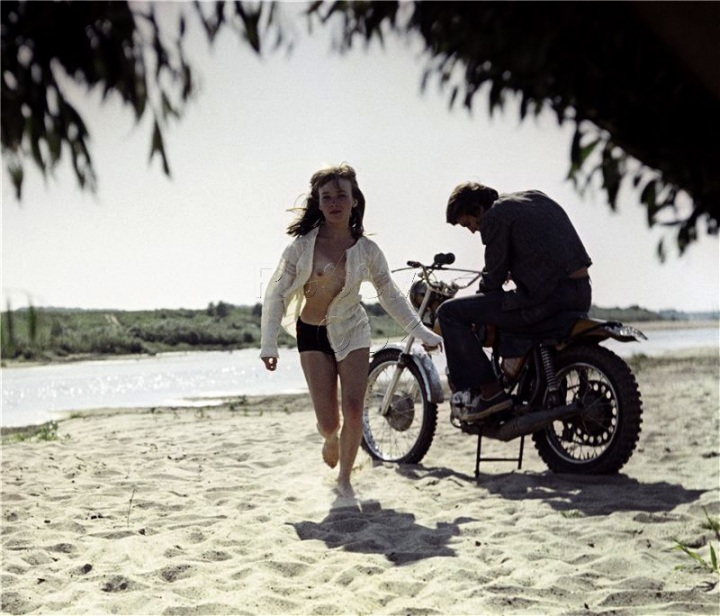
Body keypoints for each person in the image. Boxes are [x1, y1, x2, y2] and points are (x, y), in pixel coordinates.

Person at [260, 163, 442, 497]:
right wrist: (268, 343)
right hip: (312, 334)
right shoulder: (300, 247)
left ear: (354, 200)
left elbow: (389, 294)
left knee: (355, 409)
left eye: (341, 195)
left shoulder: (367, 250)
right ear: (318, 202)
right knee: (329, 422)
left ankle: (344, 479)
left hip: (353, 331)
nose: (334, 203)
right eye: (327, 197)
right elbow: (276, 294)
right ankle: (330, 437)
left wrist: (422, 332)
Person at [437, 183, 592, 423]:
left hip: (547, 300)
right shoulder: (535, 196)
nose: (472, 231)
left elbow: (492, 280)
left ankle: (490, 394)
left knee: (449, 312)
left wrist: (479, 303)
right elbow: (540, 248)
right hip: (580, 292)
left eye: (468, 224)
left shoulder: (494, 216)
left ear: (477, 209)